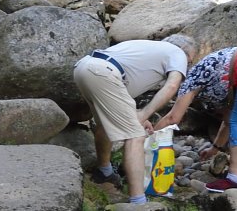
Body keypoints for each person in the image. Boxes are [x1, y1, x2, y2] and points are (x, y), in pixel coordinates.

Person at [73, 34, 196, 204]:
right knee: (135, 136)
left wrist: (136, 113)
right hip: (103, 72)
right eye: (190, 62)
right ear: (186, 53)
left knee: (105, 123)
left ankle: (104, 172)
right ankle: (138, 201)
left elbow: (120, 93)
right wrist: (144, 114)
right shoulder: (178, 53)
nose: (187, 66)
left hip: (84, 68)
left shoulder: (147, 49)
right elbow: (172, 85)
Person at [154, 45, 237, 192]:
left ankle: (235, 179)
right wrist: (215, 148)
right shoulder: (212, 78)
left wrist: (150, 141)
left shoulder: (191, 80)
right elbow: (228, 117)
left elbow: (172, 118)